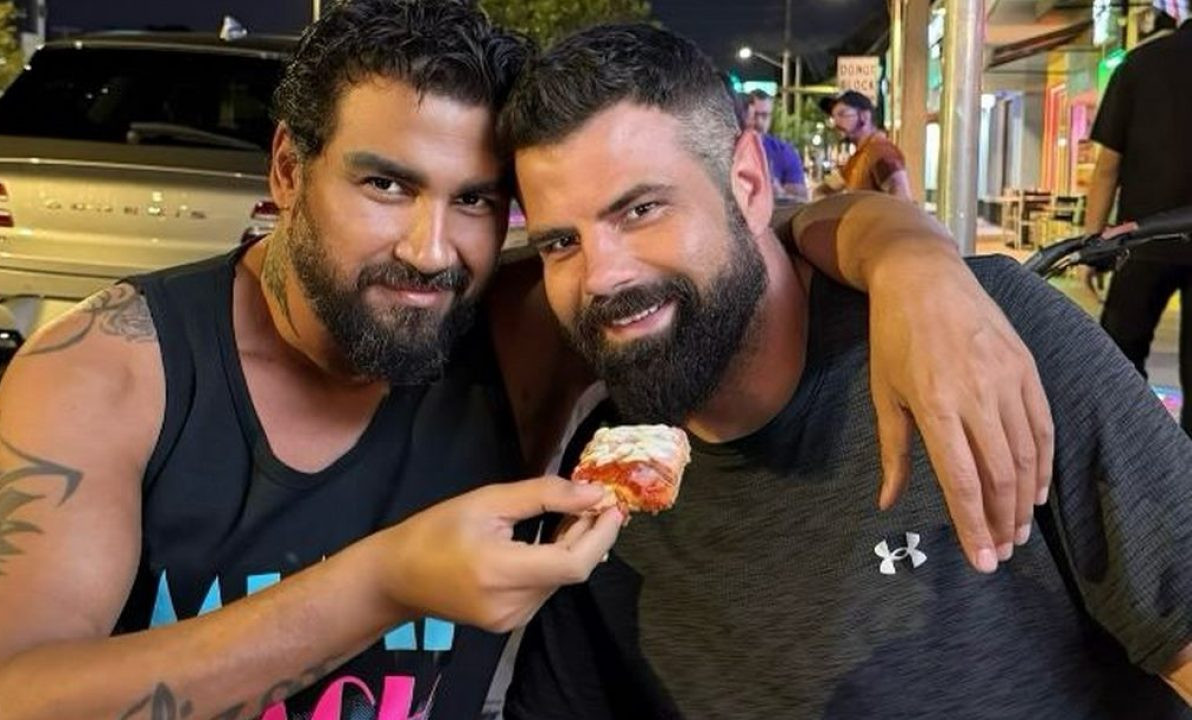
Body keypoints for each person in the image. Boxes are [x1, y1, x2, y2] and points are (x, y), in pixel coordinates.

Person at [0, 3, 1052, 718]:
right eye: (386, 185)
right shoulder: (115, 367)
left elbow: (726, 232)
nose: (433, 251)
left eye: (476, 201)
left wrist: (912, 262)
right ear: (287, 169)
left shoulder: (516, 325)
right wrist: (382, 584)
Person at [499, 23, 1192, 718]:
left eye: (642, 209)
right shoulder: (605, 481)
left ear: (747, 184)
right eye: (561, 243)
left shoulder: (980, 336)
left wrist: (909, 254)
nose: (602, 276)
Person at [1082, 13, 1192, 436]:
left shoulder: (1140, 64)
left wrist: (1094, 245)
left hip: (1144, 240)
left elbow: (1107, 167)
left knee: (1118, 361)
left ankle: (1136, 448)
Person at [816, 89, 912, 200]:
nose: (836, 123)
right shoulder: (858, 157)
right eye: (833, 117)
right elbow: (828, 187)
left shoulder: (880, 150)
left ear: (865, 116)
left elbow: (902, 197)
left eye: (842, 114)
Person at [747, 89, 809, 203]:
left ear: (771, 118)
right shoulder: (728, 148)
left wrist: (780, 193)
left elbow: (802, 200)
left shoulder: (784, 152)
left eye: (765, 115)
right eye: (754, 115)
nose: (759, 122)